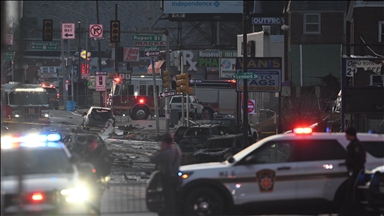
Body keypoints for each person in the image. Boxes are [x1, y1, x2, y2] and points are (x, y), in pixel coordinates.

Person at [150, 133, 182, 216]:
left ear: (164, 142)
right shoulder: (177, 151)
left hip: (167, 178)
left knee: (168, 200)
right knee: (175, 198)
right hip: (176, 178)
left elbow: (153, 159)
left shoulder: (166, 153)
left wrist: (160, 150)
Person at [339, 127, 366, 216]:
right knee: (350, 193)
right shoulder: (353, 145)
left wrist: (351, 165)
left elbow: (359, 159)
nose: (345, 136)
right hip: (354, 171)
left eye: (346, 134)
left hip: (356, 172)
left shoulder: (356, 146)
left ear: (350, 134)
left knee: (352, 193)